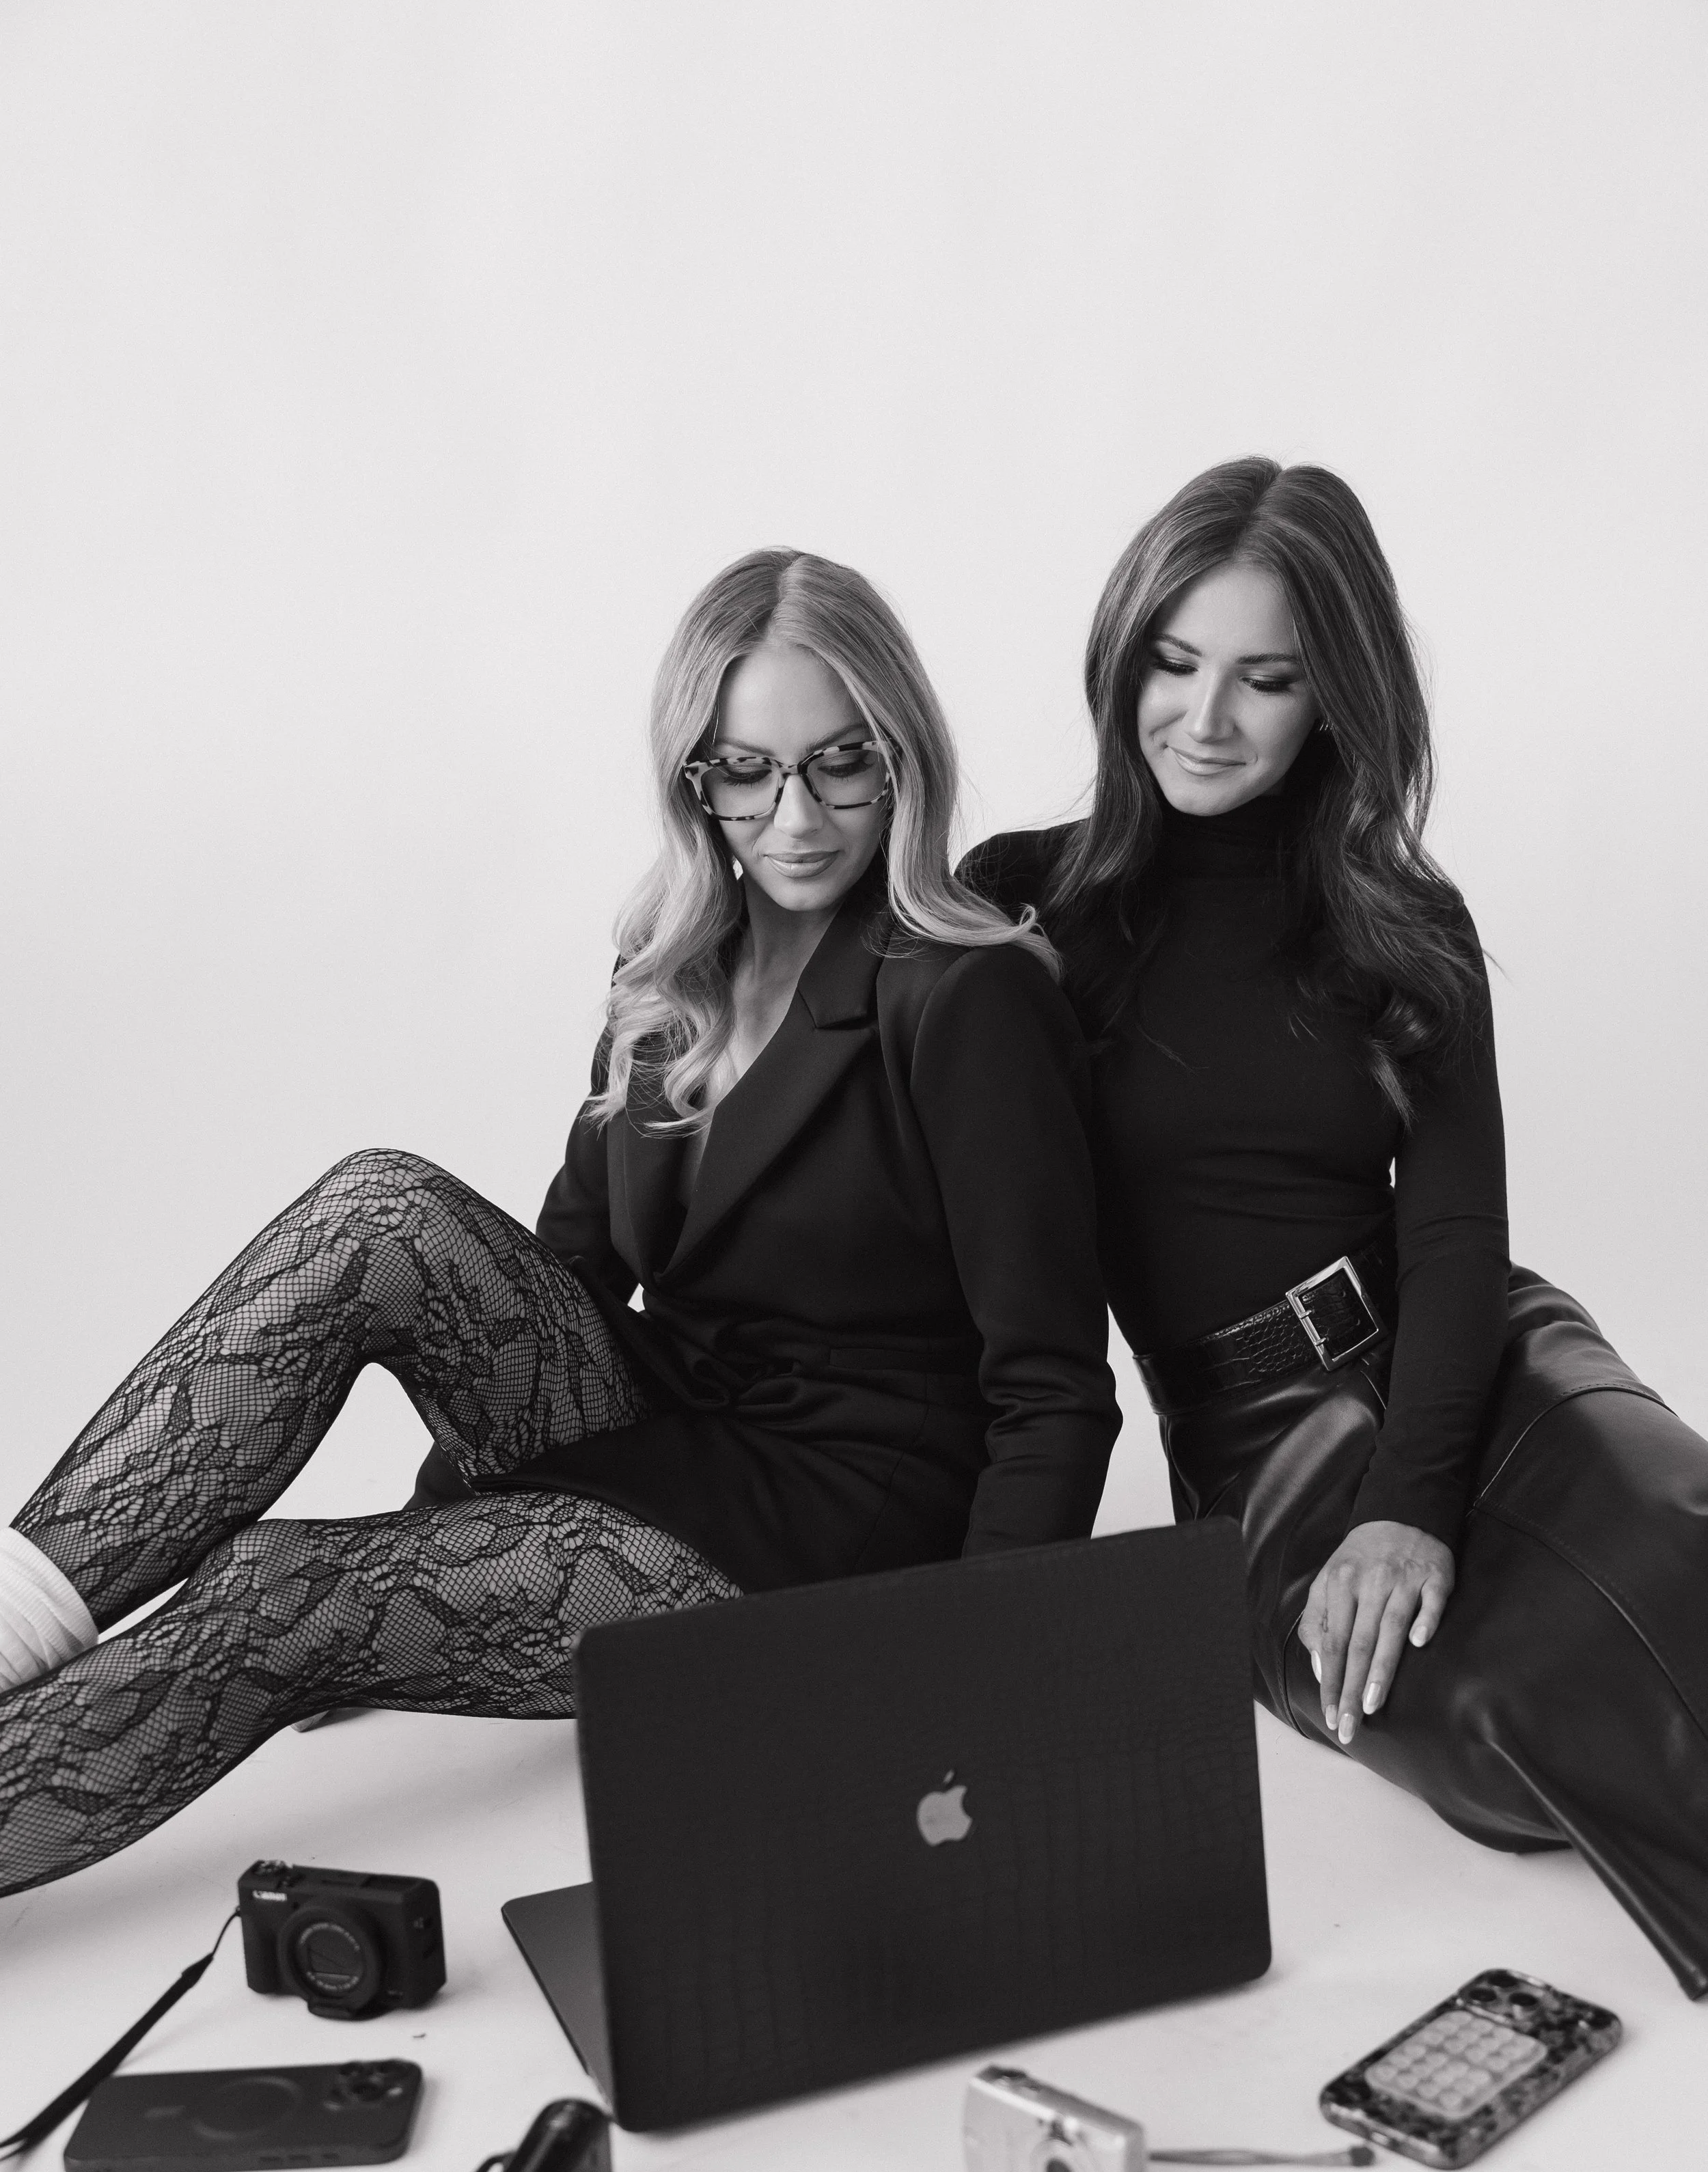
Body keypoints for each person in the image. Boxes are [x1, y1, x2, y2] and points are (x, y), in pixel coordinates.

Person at [0, 549, 1119, 1894]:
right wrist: (431, 1558)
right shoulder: (671, 969)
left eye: (842, 762)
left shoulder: (964, 995)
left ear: (901, 756)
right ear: (692, 780)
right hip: (674, 1419)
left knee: (271, 1596)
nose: (798, 816)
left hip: (836, 1507)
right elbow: (564, 1271)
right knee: (381, 1207)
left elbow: (1053, 1387)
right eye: (746, 771)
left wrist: (970, 1676)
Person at [966, 458, 1708, 1997]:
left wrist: (1412, 1502)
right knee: (1505, 1729)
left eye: (1265, 678)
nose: (1204, 719)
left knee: (1682, 1546)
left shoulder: (1402, 918)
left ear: (1333, 694)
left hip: (1474, 1355)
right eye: (1171, 663)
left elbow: (1450, 1235)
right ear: (1120, 660)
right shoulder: (1021, 910)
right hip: (1251, 1447)